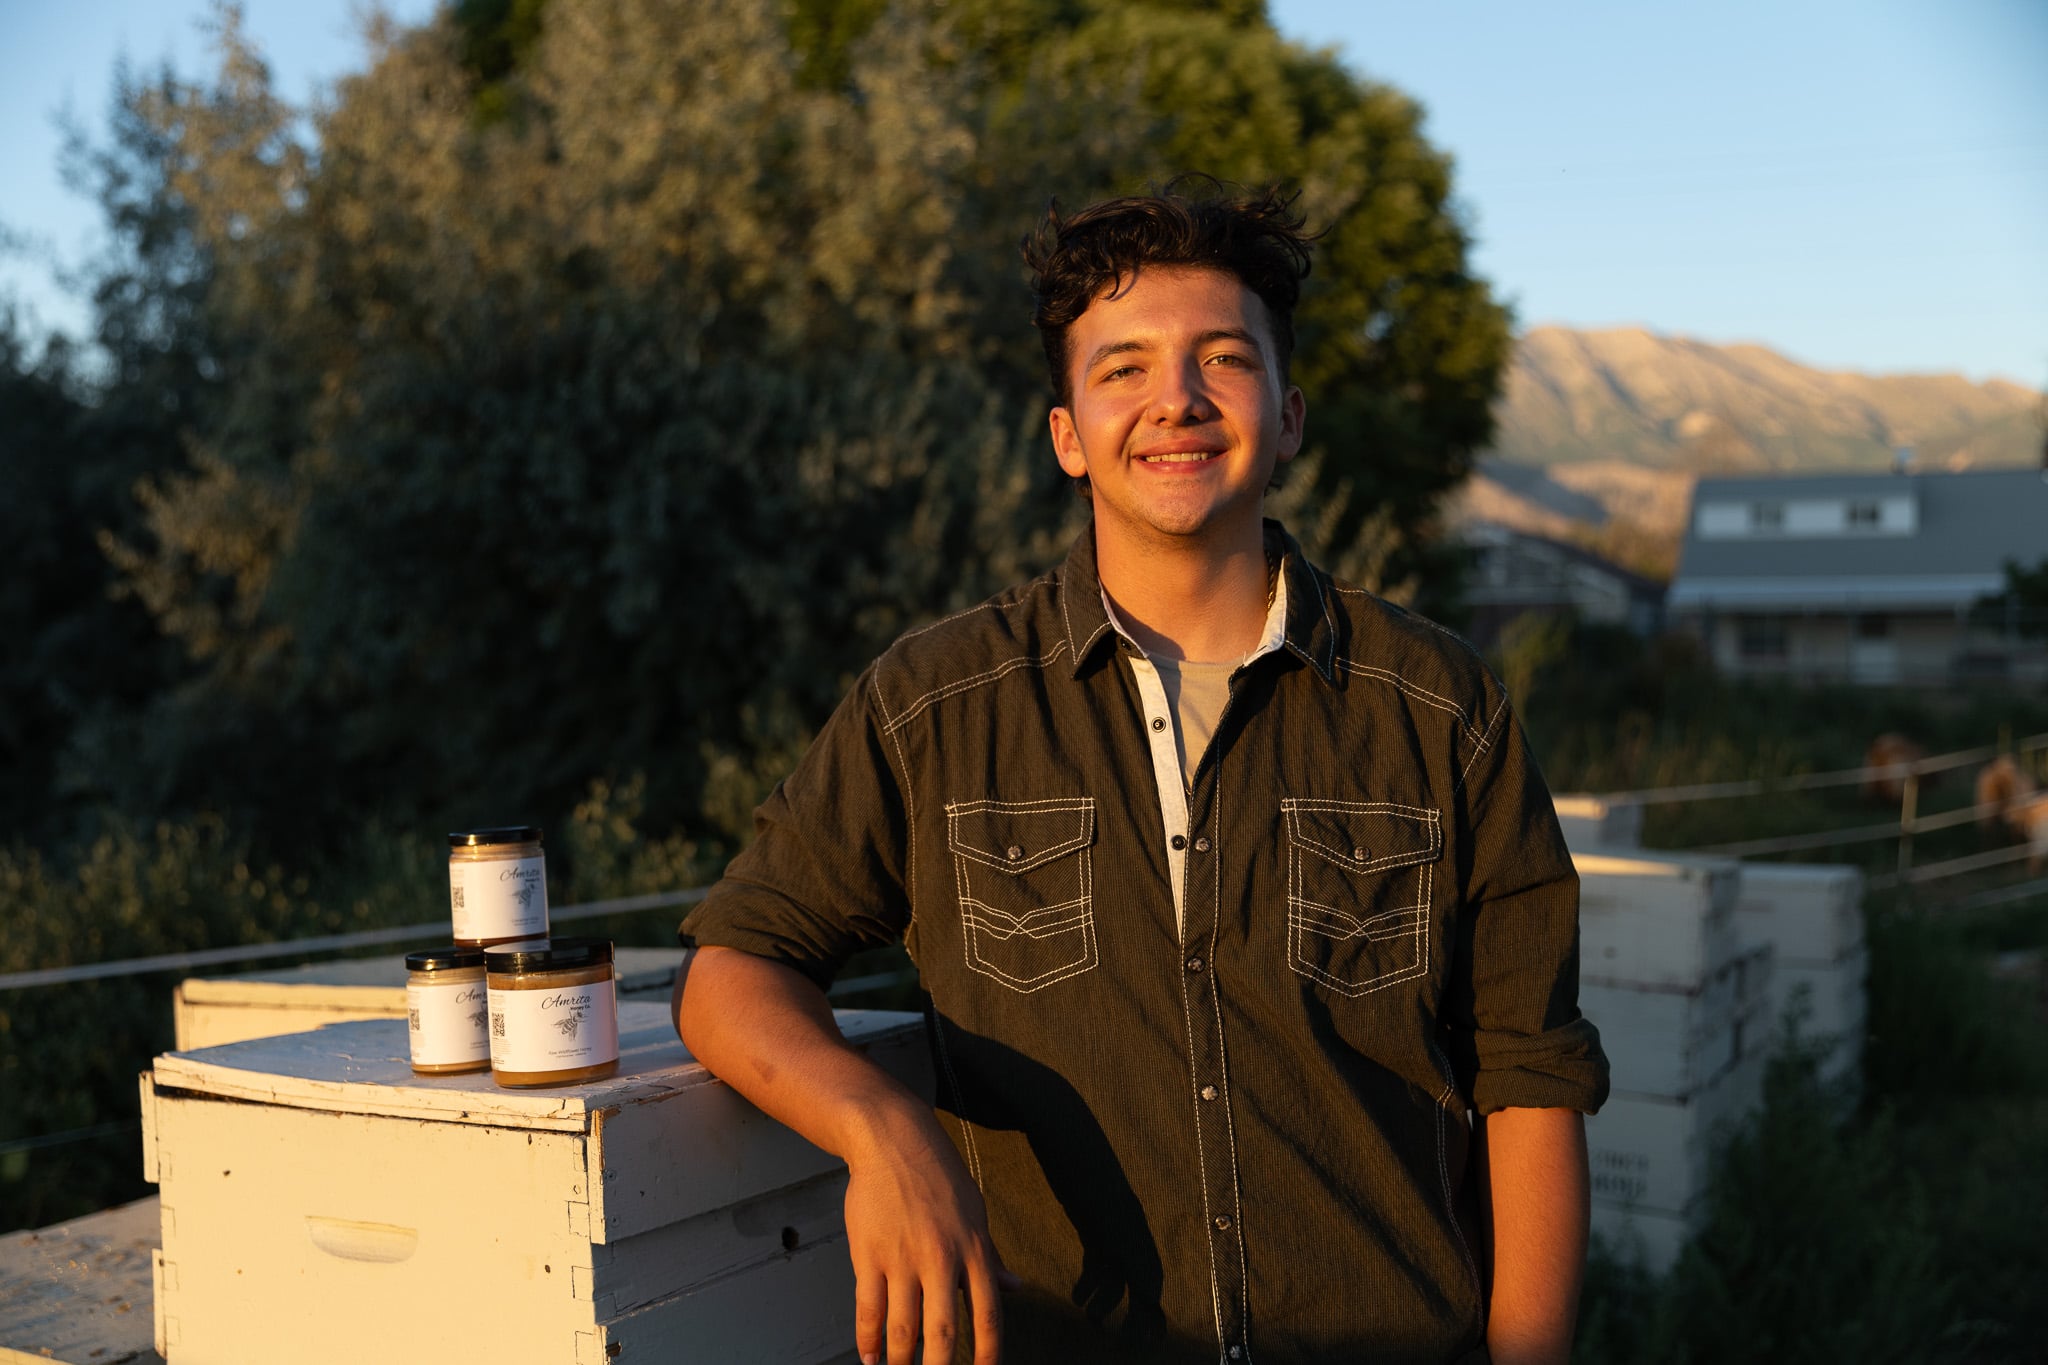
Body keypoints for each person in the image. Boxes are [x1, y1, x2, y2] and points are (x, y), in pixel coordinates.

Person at [673, 179, 1608, 1365]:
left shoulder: (1438, 705)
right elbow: (733, 968)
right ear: (1067, 435)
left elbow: (1527, 1072)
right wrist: (880, 1131)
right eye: (1121, 368)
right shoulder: (936, 705)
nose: (1174, 400)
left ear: (1287, 414)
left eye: (1222, 359)